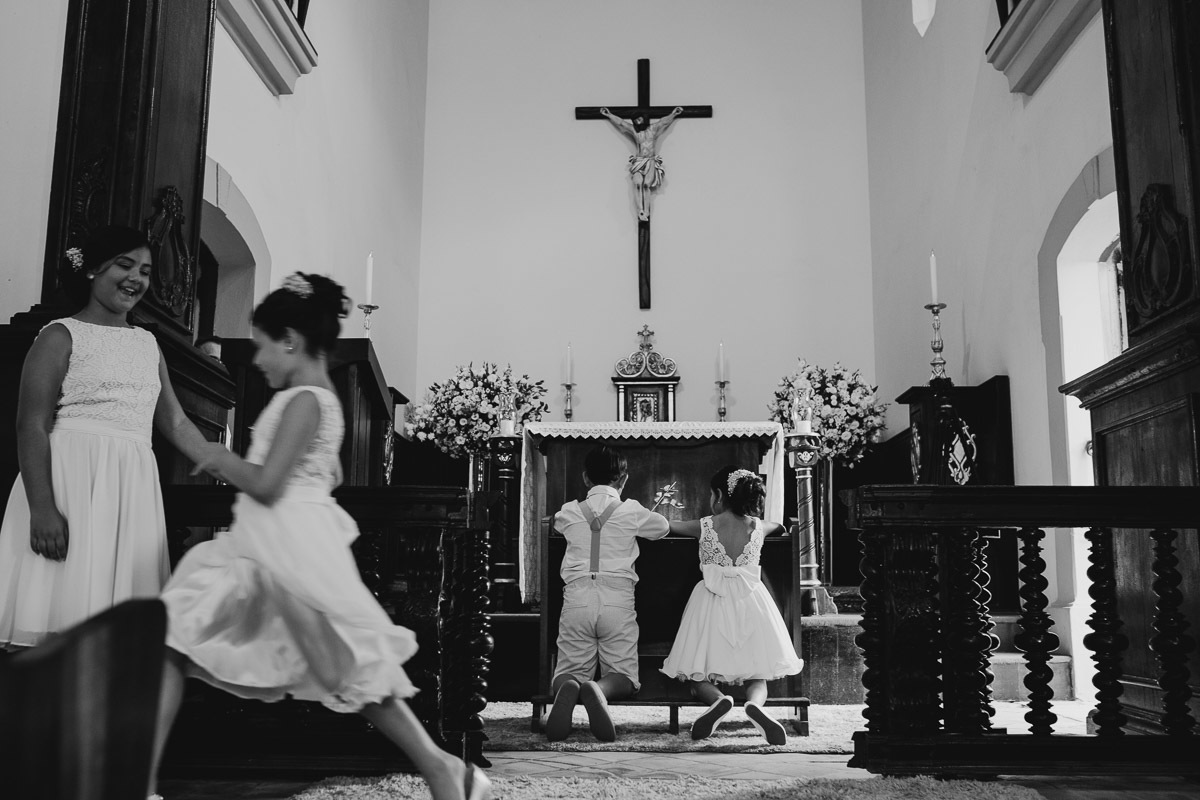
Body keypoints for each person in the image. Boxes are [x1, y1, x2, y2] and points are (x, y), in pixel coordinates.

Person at [145, 272, 491, 800]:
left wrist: (214, 455)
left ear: (290, 339)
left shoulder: (305, 398)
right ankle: (139, 781)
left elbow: (264, 485)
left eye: (262, 347)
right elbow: (327, 475)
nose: (257, 361)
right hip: (276, 538)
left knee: (342, 667)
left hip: (282, 545)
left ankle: (443, 768)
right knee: (179, 638)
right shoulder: (320, 396)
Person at [0, 225, 213, 650]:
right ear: (93, 270)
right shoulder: (60, 335)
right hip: (70, 482)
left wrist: (233, 468)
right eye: (125, 265)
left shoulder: (148, 345)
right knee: (57, 611)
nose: (137, 278)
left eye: (147, 271)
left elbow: (173, 423)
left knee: (113, 636)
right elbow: (31, 424)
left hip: (129, 487)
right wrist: (42, 509)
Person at [660, 466, 804, 745]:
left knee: (696, 673)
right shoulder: (759, 526)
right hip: (752, 602)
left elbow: (668, 526)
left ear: (718, 495)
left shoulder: (704, 525)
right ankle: (755, 707)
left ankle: (717, 700)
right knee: (758, 674)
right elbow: (780, 526)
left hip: (710, 601)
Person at [545, 445, 670, 742]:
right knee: (624, 675)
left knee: (569, 668)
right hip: (617, 600)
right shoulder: (632, 510)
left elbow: (556, 524)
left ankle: (569, 688)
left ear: (586, 478)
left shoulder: (570, 511)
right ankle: (599, 690)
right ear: (623, 480)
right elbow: (662, 527)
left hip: (576, 599)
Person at [599, 105, 684, 221]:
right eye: (635, 120)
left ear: (644, 118)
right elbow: (621, 123)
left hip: (650, 161)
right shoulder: (635, 131)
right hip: (639, 161)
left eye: (639, 119)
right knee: (638, 183)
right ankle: (640, 211)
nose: (637, 122)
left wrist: (674, 114)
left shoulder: (652, 129)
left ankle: (647, 211)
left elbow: (663, 122)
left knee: (646, 185)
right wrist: (609, 115)